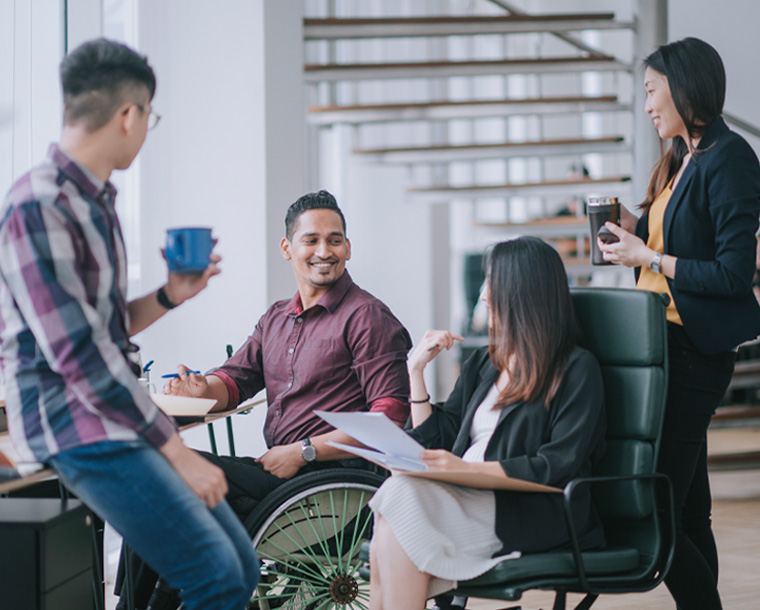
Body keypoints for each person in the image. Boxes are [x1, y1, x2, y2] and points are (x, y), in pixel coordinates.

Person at [0, 38, 259, 610]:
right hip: (78, 426)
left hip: (108, 418)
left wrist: (171, 295)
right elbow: (82, 361)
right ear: (129, 114)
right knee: (217, 575)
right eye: (151, 117)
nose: (147, 130)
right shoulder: (37, 206)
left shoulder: (96, 203)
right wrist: (180, 454)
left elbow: (105, 327)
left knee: (238, 568)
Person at [119, 189, 413, 609]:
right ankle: (145, 602)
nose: (324, 251)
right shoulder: (277, 317)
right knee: (157, 478)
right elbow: (236, 379)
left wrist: (305, 451)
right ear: (287, 248)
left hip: (329, 484)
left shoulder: (366, 317)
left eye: (334, 240)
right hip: (279, 474)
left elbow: (389, 421)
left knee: (167, 471)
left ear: (347, 247)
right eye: (311, 240)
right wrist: (204, 388)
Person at [598, 38, 760, 610]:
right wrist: (631, 226)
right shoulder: (680, 158)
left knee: (655, 508)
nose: (646, 105)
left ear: (684, 85)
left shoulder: (731, 157)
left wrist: (649, 259)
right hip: (660, 344)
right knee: (689, 509)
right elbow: (675, 237)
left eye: (650, 90)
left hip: (692, 351)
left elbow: (734, 275)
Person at [369, 237, 607, 609]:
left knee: (395, 514)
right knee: (396, 506)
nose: (482, 296)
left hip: (527, 507)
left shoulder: (575, 368)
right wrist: (415, 372)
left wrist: (466, 470)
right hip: (465, 494)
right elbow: (440, 438)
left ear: (521, 292)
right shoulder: (486, 362)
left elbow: (557, 464)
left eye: (491, 284)